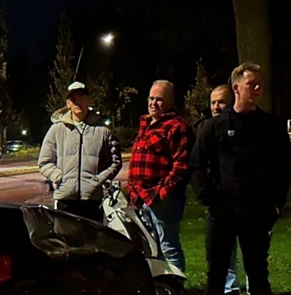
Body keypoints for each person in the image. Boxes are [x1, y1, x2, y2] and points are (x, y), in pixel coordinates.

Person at [188, 63, 291, 295]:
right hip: (222, 212)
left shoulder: (270, 126)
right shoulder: (214, 126)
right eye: (253, 84)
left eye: (260, 84)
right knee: (216, 271)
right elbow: (196, 165)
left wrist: (277, 202)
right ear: (237, 87)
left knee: (257, 271)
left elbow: (286, 164)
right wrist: (210, 199)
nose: (258, 89)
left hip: (257, 211)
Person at [126, 80, 194, 273]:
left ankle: (177, 291)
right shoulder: (146, 125)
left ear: (171, 101)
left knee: (169, 247)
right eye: (151, 98)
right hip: (140, 198)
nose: (153, 103)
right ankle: (160, 291)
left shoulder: (177, 127)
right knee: (150, 249)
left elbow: (181, 166)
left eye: (159, 99)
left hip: (163, 201)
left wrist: (162, 192)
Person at [38, 81, 122, 222]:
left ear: (88, 100)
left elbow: (115, 162)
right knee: (67, 242)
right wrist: (58, 176)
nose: (77, 102)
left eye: (81, 97)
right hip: (65, 199)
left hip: (92, 201)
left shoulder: (102, 130)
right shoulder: (56, 130)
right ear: (68, 103)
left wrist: (98, 180)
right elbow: (44, 162)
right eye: (73, 99)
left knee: (92, 242)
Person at [199, 85, 246, 295]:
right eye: (213, 102)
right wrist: (207, 195)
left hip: (243, 202)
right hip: (218, 202)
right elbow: (197, 164)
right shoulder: (207, 129)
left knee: (252, 256)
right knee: (218, 256)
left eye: (222, 102)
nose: (216, 107)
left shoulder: (239, 128)